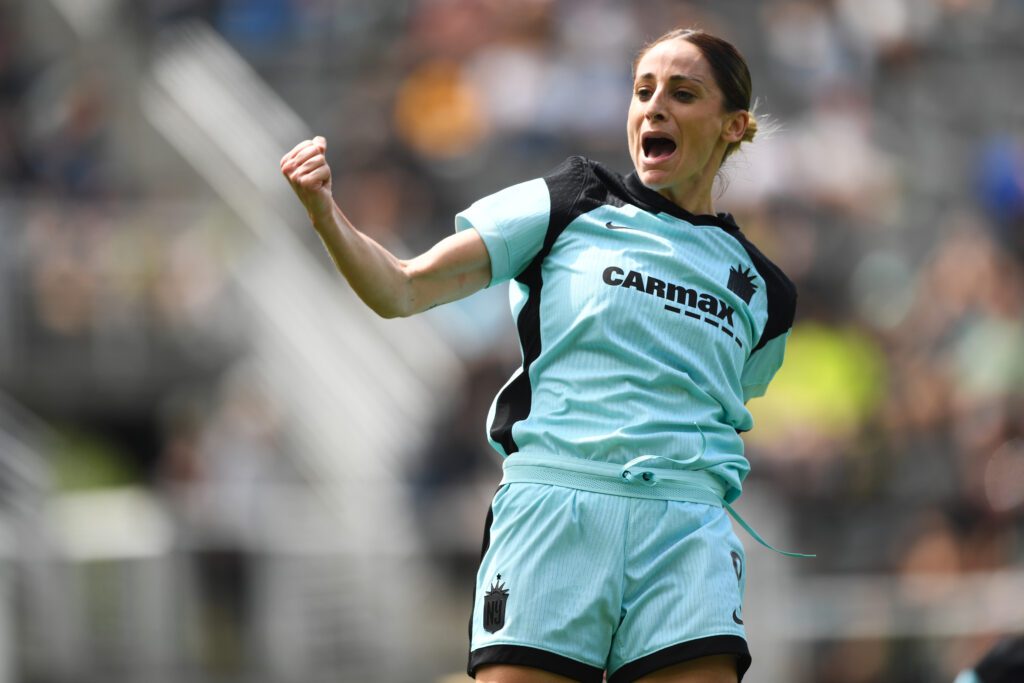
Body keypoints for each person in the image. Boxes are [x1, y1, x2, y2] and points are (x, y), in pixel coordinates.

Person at [281, 27, 800, 683]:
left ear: (733, 126)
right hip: (558, 514)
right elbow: (402, 288)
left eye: (683, 93)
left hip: (686, 532)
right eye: (643, 91)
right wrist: (326, 213)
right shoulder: (571, 199)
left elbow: (722, 403)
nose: (655, 106)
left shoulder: (767, 293)